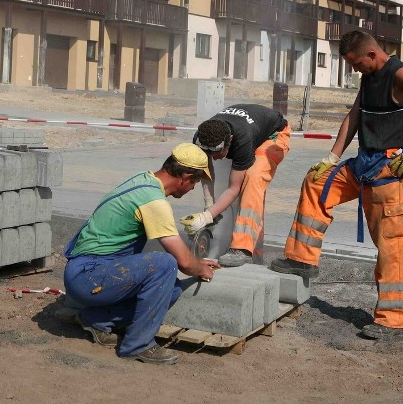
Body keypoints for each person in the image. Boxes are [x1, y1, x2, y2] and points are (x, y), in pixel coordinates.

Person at [270, 30, 403, 339]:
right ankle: (301, 260)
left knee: (392, 241)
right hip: (365, 162)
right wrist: (331, 157)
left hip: (392, 167)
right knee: (316, 183)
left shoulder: (400, 74)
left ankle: (392, 319)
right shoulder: (368, 78)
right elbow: (354, 117)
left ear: (371, 55)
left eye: (356, 64)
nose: (355, 70)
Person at [63, 143, 220, 365]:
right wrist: (200, 267)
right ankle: (138, 345)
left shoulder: (143, 179)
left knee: (171, 289)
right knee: (165, 264)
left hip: (88, 271)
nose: (193, 188)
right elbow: (183, 262)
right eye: (194, 182)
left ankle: (96, 319)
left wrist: (196, 262)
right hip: (88, 275)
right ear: (185, 176)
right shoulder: (154, 202)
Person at [182, 104, 291, 267]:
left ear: (230, 141)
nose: (216, 158)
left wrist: (207, 217)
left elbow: (234, 188)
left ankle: (243, 250)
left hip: (274, 135)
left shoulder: (242, 139)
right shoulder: (202, 136)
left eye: (218, 153)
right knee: (245, 189)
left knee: (252, 178)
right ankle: (256, 255)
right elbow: (206, 167)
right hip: (252, 126)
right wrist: (209, 206)